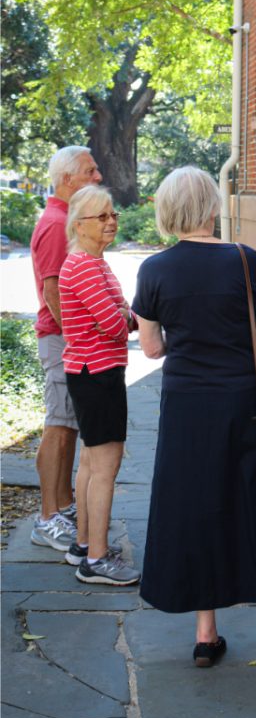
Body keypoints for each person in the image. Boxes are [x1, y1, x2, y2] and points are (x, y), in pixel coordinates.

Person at [133, 167, 256, 668]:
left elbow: (151, 348)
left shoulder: (153, 270)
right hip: (245, 404)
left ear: (167, 211)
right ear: (213, 208)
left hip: (186, 409)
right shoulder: (243, 258)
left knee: (197, 506)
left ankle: (205, 634)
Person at [59, 185, 140, 586]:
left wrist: (124, 315)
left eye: (113, 215)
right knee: (106, 467)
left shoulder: (91, 261)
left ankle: (82, 543)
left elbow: (120, 315)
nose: (111, 222)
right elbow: (116, 324)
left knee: (91, 463)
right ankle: (96, 559)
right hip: (97, 373)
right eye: (102, 217)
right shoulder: (86, 266)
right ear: (80, 224)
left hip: (90, 371)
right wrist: (125, 317)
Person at [30, 146, 102, 552]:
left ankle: (62, 504)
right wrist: (78, 338)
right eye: (90, 171)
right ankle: (46, 517)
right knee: (58, 426)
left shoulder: (64, 219)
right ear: (68, 179)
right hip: (61, 340)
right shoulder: (56, 222)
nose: (97, 176)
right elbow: (53, 289)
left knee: (67, 423)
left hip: (65, 339)